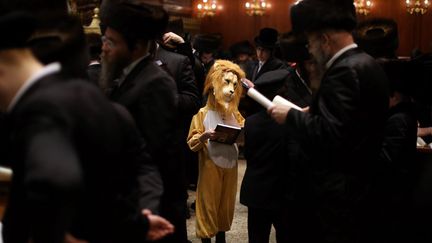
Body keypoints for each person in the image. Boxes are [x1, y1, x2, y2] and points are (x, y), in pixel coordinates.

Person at [0, 7, 173, 243]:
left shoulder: (41, 109)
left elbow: (56, 178)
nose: (104, 48)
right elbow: (126, 174)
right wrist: (137, 224)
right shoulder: (97, 100)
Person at [267, 0, 390, 242]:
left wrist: (289, 116)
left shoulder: (342, 71)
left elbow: (333, 136)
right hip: (362, 188)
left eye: (311, 42)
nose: (310, 50)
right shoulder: (367, 63)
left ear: (324, 40)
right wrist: (315, 112)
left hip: (338, 198)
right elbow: (353, 122)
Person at [99, 1, 186, 243]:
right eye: (104, 40)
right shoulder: (125, 75)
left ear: (136, 45)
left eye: (111, 42)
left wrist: (144, 212)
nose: (104, 48)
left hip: (152, 211)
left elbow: (154, 155)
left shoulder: (155, 83)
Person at [187, 60, 245, 243]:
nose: (231, 89)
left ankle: (221, 237)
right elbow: (191, 142)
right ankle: (206, 238)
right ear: (214, 84)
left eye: (235, 85)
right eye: (227, 82)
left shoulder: (234, 113)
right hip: (210, 166)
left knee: (225, 204)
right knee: (208, 204)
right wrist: (204, 136)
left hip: (231, 165)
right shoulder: (202, 114)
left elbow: (244, 131)